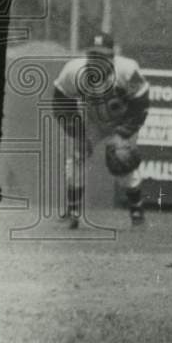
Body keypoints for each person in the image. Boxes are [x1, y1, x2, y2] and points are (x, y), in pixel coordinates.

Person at [52, 32, 151, 228]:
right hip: (92, 121)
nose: (98, 60)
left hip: (121, 120)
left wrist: (123, 134)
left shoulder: (126, 70)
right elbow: (60, 102)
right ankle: (73, 211)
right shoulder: (74, 71)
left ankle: (136, 212)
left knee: (122, 160)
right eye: (93, 55)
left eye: (103, 55)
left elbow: (141, 103)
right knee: (77, 156)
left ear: (112, 57)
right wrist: (77, 131)